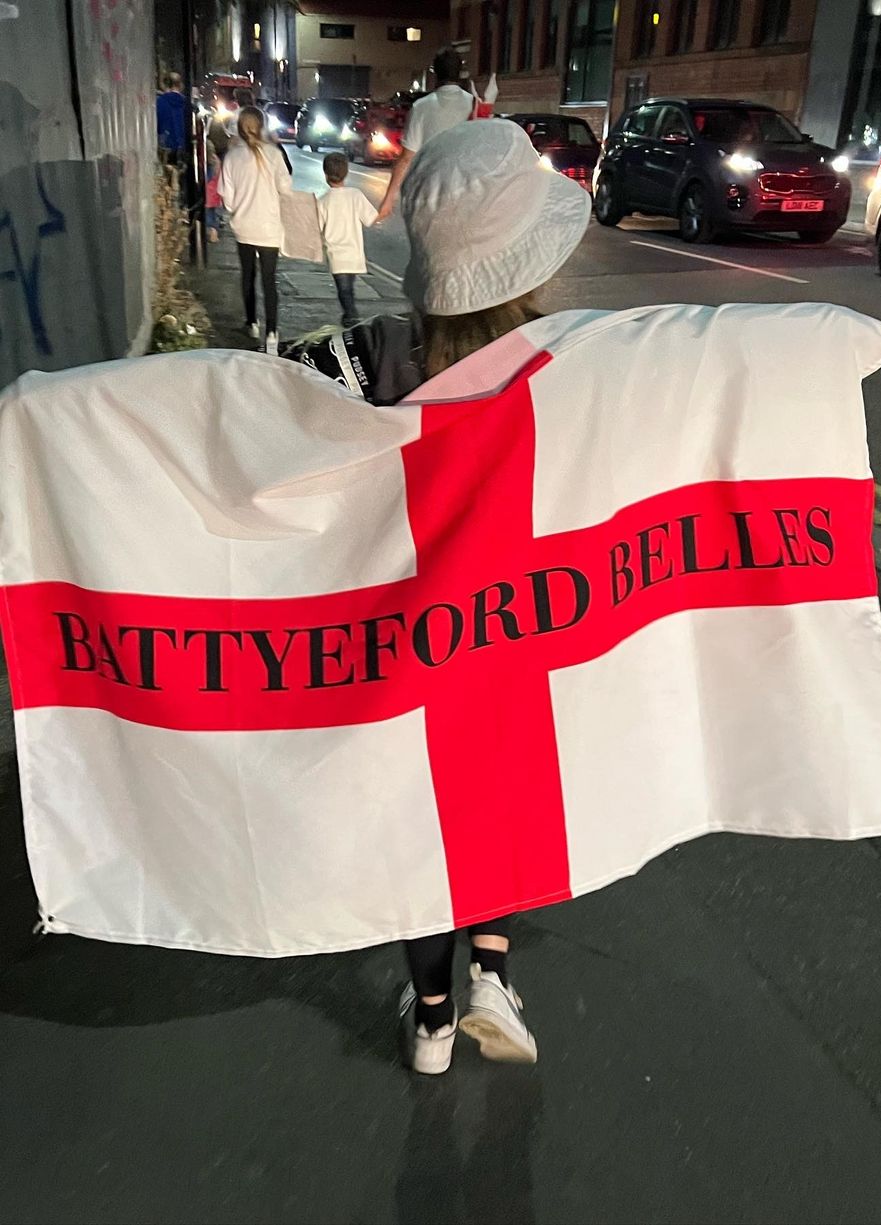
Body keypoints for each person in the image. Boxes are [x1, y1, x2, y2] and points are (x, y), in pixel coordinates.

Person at [283, 121, 590, 1072]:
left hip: (402, 655)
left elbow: (267, 436)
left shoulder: (366, 359)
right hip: (515, 648)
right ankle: (495, 968)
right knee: (497, 808)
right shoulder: (569, 374)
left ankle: (430, 1016)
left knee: (421, 828)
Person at [218, 105, 292, 354]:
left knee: (247, 276)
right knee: (269, 280)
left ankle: (251, 323)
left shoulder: (232, 157)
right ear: (262, 127)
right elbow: (286, 189)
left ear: (239, 128)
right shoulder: (273, 154)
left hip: (243, 227)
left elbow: (226, 200)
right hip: (269, 228)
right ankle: (272, 331)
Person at [376, 48, 473, 221]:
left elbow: (406, 158)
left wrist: (389, 199)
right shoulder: (474, 105)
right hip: (467, 193)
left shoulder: (421, 107)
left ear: (435, 73)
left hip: (430, 194)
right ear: (460, 73)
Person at [316, 152, 378, 329]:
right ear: (346, 172)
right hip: (354, 253)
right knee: (348, 290)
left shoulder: (323, 202)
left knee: (345, 293)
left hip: (337, 255)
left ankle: (353, 323)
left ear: (326, 174)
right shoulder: (355, 195)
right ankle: (349, 320)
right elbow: (371, 218)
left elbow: (317, 229)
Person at [156, 72, 190, 162]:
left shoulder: (159, 102)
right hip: (184, 149)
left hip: (165, 149)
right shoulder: (187, 104)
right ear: (180, 85)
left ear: (165, 84)